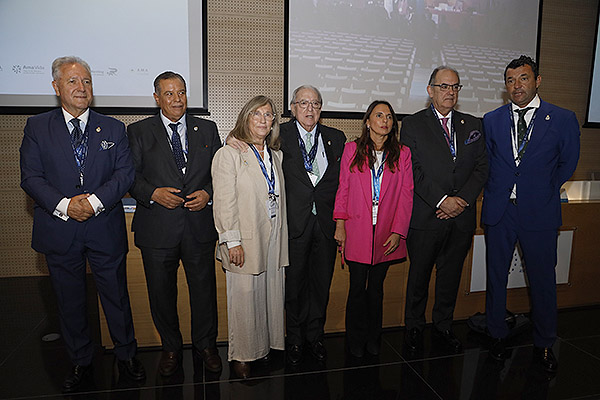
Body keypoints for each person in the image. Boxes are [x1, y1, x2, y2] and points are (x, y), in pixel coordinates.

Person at [19, 56, 145, 393]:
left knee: (116, 296)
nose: (81, 87)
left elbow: (125, 175)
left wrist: (92, 203)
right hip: (59, 229)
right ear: (56, 86)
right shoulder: (37, 126)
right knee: (69, 300)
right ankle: (80, 360)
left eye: (87, 81)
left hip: (103, 226)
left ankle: (127, 355)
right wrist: (65, 205)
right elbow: (31, 177)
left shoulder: (114, 127)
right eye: (73, 81)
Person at [227, 85, 346, 365]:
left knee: (320, 285)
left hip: (325, 227)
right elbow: (245, 139)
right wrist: (231, 138)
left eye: (315, 104)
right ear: (292, 108)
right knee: (293, 288)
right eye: (303, 103)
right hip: (292, 226)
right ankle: (294, 339)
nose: (309, 109)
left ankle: (314, 337)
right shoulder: (279, 135)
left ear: (321, 109)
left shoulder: (336, 138)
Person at [483, 55, 580, 372]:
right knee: (496, 279)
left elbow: (567, 163)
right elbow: (488, 163)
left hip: (539, 212)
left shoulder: (562, 119)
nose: (516, 85)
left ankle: (544, 344)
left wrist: (541, 190)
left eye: (523, 78)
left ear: (537, 81)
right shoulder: (492, 120)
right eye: (510, 80)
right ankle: (496, 335)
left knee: (542, 281)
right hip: (500, 211)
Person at [127, 71, 222, 377]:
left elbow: (220, 173)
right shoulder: (138, 131)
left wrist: (208, 193)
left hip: (198, 226)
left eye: (181, 93)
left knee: (204, 292)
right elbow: (129, 176)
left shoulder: (207, 129)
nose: (177, 99)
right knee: (161, 293)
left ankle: (205, 346)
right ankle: (170, 348)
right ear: (157, 98)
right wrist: (152, 193)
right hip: (157, 228)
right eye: (169, 94)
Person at [401, 66, 488, 353]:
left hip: (461, 217)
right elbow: (412, 170)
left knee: (450, 277)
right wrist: (442, 201)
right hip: (427, 216)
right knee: (419, 277)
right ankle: (414, 327)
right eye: (443, 86)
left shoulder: (473, 124)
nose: (450, 92)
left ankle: (443, 326)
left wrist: (460, 200)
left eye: (455, 87)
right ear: (430, 90)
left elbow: (481, 167)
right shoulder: (413, 125)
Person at [212, 95, 288, 379]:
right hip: (244, 238)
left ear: (273, 124)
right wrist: (232, 240)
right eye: (256, 114)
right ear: (246, 118)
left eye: (268, 115)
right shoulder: (229, 154)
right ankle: (242, 356)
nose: (263, 119)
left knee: (269, 294)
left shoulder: (276, 156)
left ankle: (264, 347)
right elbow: (224, 201)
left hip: (273, 234)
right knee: (244, 297)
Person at [334, 100, 413, 357]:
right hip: (356, 230)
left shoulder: (403, 153)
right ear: (368, 121)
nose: (385, 120)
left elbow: (406, 194)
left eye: (389, 116)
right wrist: (340, 225)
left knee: (376, 290)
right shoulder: (351, 150)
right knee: (357, 288)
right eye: (379, 115)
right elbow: (343, 188)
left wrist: (398, 231)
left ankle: (373, 337)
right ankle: (354, 339)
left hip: (386, 233)